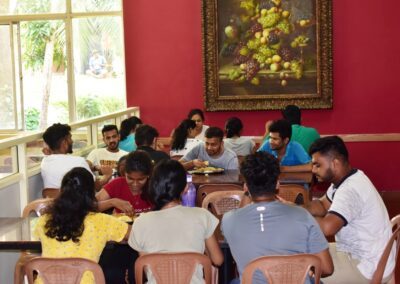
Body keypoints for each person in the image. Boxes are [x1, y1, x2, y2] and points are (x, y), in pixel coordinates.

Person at [221, 152, 333, 284]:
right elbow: (326, 269)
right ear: (277, 185)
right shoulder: (303, 215)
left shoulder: (228, 220)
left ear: (245, 187)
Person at [304, 136, 395, 283]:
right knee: (307, 256)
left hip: (366, 265)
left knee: (304, 273)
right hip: (365, 254)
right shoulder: (347, 179)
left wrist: (296, 216)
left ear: (335, 163)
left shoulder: (350, 189)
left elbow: (328, 228)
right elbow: (321, 206)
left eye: (317, 165)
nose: (313, 170)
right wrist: (294, 208)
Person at [128, 160, 224, 283]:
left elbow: (147, 269)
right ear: (185, 188)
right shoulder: (202, 216)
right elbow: (218, 260)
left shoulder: (141, 222)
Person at [34, 167, 130, 284]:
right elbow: (134, 236)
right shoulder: (102, 221)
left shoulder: (44, 221)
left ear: (62, 192)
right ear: (91, 194)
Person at [96, 150, 153, 215]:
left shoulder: (155, 187)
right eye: (130, 178)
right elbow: (89, 205)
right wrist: (112, 202)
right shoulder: (117, 184)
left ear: (148, 175)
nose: (135, 184)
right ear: (124, 173)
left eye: (141, 179)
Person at [41, 123, 94, 190]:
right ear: (64, 143)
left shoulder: (45, 162)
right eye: (70, 138)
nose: (72, 141)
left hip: (54, 200)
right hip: (77, 200)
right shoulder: (79, 162)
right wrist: (107, 175)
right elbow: (96, 185)